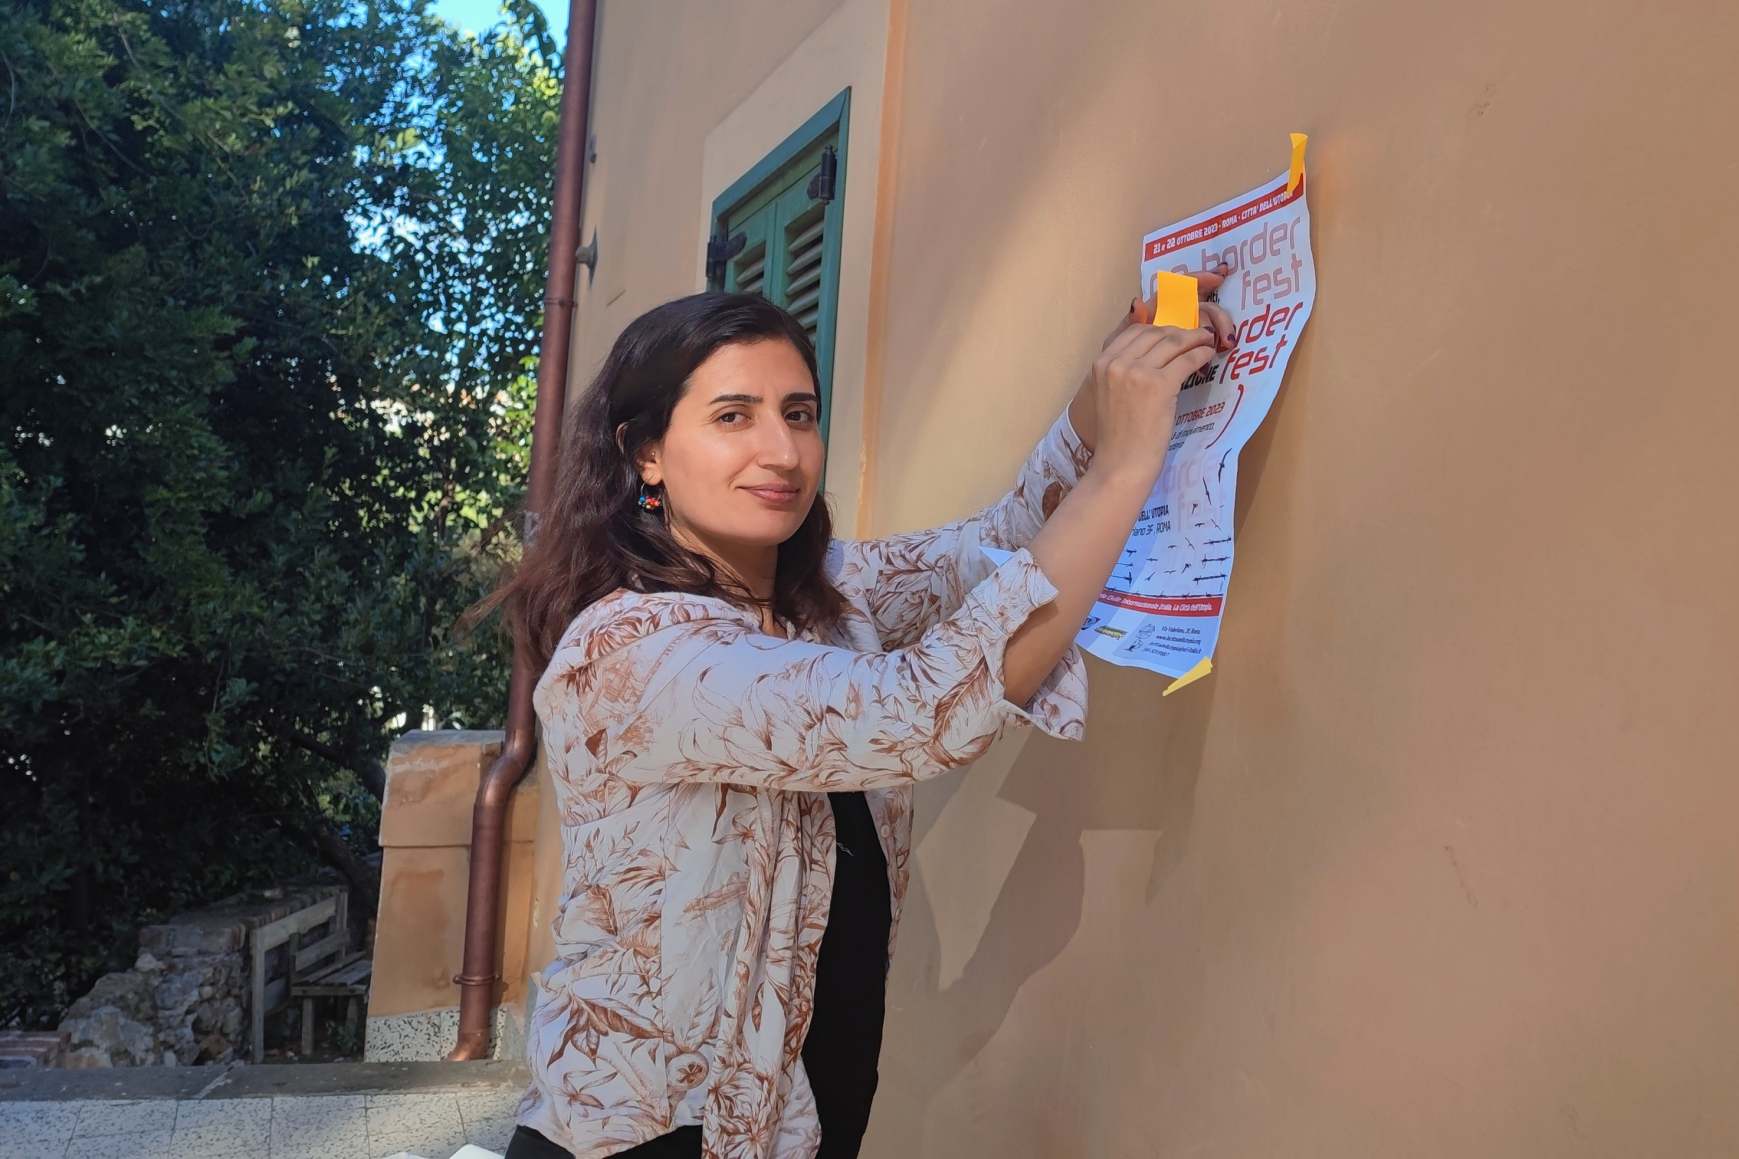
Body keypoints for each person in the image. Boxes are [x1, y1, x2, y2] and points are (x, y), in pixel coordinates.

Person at [481, 278, 1232, 1159]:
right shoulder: (633, 649)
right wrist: (1124, 469)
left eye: (798, 414)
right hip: (654, 1135)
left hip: (796, 1117)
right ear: (645, 452)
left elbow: (990, 547)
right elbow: (919, 710)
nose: (781, 451)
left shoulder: (819, 600)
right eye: (732, 416)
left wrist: (1107, 392)